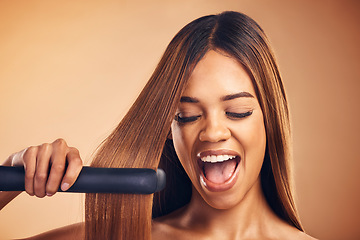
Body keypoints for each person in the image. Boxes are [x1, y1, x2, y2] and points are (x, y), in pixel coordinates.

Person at [0, 11, 316, 240]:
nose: (212, 132)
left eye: (237, 111)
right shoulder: (118, 237)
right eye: (187, 115)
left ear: (270, 120)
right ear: (170, 130)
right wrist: (12, 176)